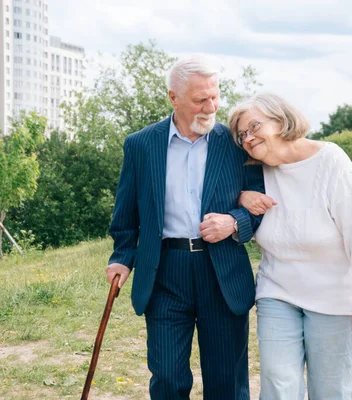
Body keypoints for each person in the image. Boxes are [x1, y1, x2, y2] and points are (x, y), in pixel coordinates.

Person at [106, 56, 264, 400]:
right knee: (167, 378)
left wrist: (234, 222)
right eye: (199, 100)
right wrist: (122, 257)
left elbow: (262, 206)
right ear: (173, 97)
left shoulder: (238, 144)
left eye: (215, 96)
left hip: (220, 270)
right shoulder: (141, 145)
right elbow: (127, 213)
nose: (210, 107)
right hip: (165, 272)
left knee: (226, 382)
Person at [229, 93, 352, 400]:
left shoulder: (330, 161)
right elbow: (217, 193)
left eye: (253, 127)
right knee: (278, 384)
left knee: (330, 390)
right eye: (242, 135)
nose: (248, 139)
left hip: (334, 298)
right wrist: (241, 197)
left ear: (282, 119)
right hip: (278, 291)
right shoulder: (255, 170)